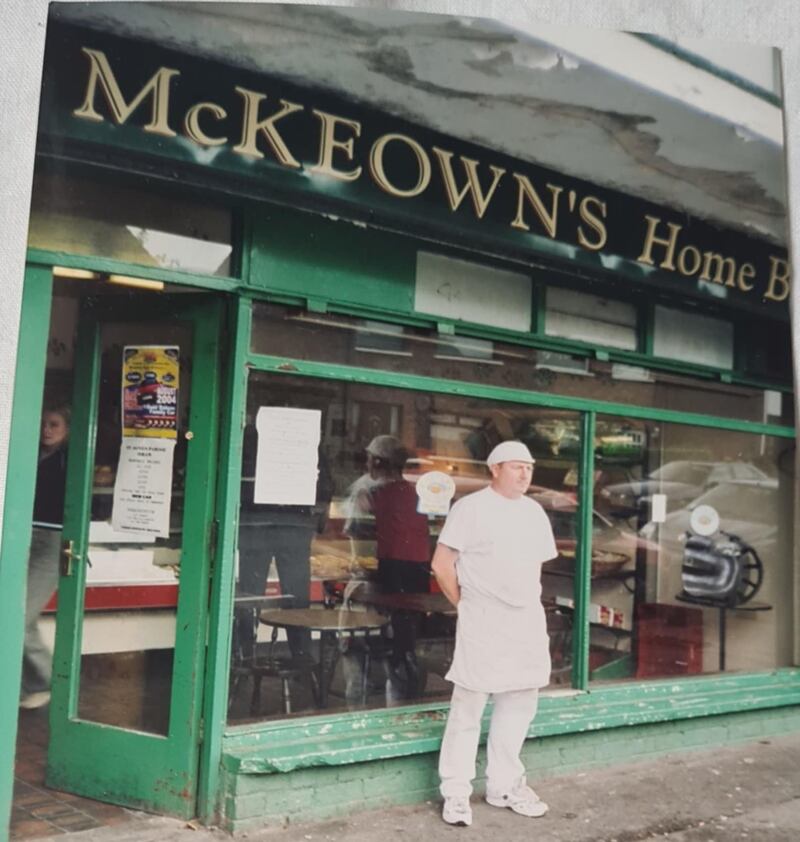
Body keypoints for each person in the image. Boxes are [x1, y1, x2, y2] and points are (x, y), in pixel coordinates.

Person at [431, 440, 557, 827]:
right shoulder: (470, 509)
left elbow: (533, 566)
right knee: (468, 705)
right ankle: (456, 792)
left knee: (520, 702)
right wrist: (463, 605)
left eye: (529, 468)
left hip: (525, 620)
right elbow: (441, 564)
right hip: (483, 617)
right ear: (495, 469)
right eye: (516, 467)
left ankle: (504, 785)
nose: (524, 474)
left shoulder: (535, 512)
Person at [20, 407, 71, 710]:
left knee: (18, 616)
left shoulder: (69, 460)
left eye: (54, 425)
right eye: (44, 424)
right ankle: (28, 685)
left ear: (68, 429)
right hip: (23, 536)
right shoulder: (33, 453)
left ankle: (46, 681)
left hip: (51, 542)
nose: (47, 430)